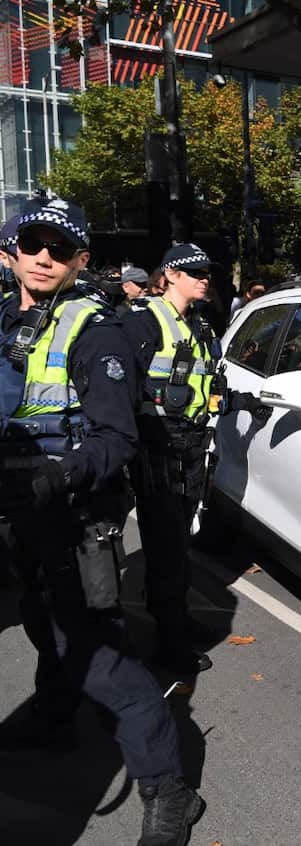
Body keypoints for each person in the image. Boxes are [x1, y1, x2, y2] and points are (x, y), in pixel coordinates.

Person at [0, 199, 205, 843]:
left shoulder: (99, 330)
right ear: (8, 253)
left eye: (59, 250)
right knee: (41, 619)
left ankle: (170, 789)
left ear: (81, 260)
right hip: (16, 510)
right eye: (30, 244)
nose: (43, 257)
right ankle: (56, 720)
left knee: (99, 657)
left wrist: (55, 479)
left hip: (72, 511)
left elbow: (117, 438)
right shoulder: (7, 319)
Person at [124, 244, 226, 675]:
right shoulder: (144, 320)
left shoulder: (198, 325)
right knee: (166, 544)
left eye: (207, 272)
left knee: (178, 542)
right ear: (170, 275)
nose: (204, 278)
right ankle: (168, 643)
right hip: (159, 445)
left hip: (191, 444)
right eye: (195, 272)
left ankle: (176, 621)